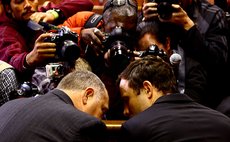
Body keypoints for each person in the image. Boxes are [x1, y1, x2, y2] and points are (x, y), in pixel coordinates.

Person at [118, 56, 230, 142]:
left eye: (126, 100)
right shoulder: (225, 123)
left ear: (147, 89)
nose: (125, 111)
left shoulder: (134, 129)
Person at [58, 0, 138, 119]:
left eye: (128, 31)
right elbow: (50, 37)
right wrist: (80, 34)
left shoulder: (141, 32)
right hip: (86, 83)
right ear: (103, 22)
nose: (120, 34)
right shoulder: (87, 21)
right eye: (112, 29)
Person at [141, 0, 229, 109]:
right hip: (157, 97)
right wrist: (143, 21)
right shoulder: (154, 12)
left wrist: (188, 26)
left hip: (205, 100)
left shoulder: (211, 14)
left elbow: (220, 64)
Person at [0, 70, 109, 142]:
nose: (100, 118)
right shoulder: (84, 125)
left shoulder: (8, 106)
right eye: (102, 110)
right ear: (87, 95)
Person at [0, 0, 94, 82]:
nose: (28, 4)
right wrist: (30, 58)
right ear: (8, 8)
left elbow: (86, 3)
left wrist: (53, 14)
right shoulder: (5, 32)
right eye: (19, 1)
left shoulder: (41, 13)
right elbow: (11, 59)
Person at [135, 20, 208, 105]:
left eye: (152, 50)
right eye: (145, 53)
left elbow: (192, 104)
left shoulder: (192, 68)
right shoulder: (141, 69)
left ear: (167, 43)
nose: (150, 57)